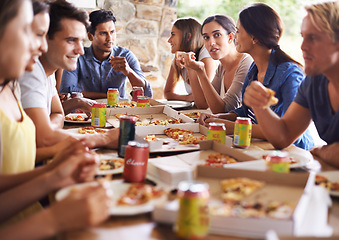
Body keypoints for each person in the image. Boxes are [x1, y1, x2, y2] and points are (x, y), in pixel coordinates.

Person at [0, 0, 111, 238]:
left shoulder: (8, 87)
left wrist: (53, 176)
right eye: (31, 32)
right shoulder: (27, 76)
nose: (38, 46)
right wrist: (54, 219)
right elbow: (43, 136)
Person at [199, 3, 314, 150]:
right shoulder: (254, 68)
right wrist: (219, 118)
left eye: (238, 32)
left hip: (291, 153)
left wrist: (233, 127)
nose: (235, 38)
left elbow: (285, 130)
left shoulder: (290, 74)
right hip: (259, 146)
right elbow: (248, 112)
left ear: (254, 38)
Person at [243, 1, 339, 167]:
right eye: (303, 37)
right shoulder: (314, 82)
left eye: (313, 38)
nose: (303, 46)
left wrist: (324, 151)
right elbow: (283, 136)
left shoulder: (293, 72)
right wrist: (260, 106)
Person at [18, 0, 119, 149]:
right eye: (71, 40)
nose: (81, 50)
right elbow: (44, 138)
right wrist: (103, 138)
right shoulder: (31, 73)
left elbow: (58, 113)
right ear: (45, 39)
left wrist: (49, 130)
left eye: (81, 41)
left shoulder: (48, 72)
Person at [59, 9, 152, 100]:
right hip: (87, 112)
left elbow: (146, 93)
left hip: (120, 111)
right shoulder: (79, 57)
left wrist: (129, 72)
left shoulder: (125, 55)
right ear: (90, 36)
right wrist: (108, 96)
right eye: (103, 33)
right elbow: (67, 91)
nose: (109, 38)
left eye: (112, 32)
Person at [178, 15, 253, 113]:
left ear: (230, 37)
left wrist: (201, 72)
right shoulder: (222, 67)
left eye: (217, 35)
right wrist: (191, 68)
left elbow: (224, 110)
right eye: (206, 37)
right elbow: (202, 104)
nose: (211, 43)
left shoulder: (247, 62)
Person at [164, 17, 217, 103]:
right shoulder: (179, 58)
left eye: (173, 34)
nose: (169, 40)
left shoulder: (205, 54)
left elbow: (204, 100)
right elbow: (167, 93)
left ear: (188, 36)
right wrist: (187, 98)